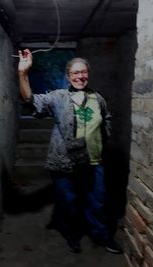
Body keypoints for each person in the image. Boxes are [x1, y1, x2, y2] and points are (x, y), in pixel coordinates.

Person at [17, 49, 123, 254]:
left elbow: (106, 119)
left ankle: (101, 235)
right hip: (65, 162)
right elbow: (32, 102)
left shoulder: (98, 99)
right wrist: (23, 74)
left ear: (88, 75)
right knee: (69, 203)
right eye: (75, 73)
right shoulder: (58, 97)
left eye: (83, 72)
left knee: (97, 202)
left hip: (94, 161)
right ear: (68, 76)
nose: (79, 76)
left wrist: (102, 140)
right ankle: (72, 235)